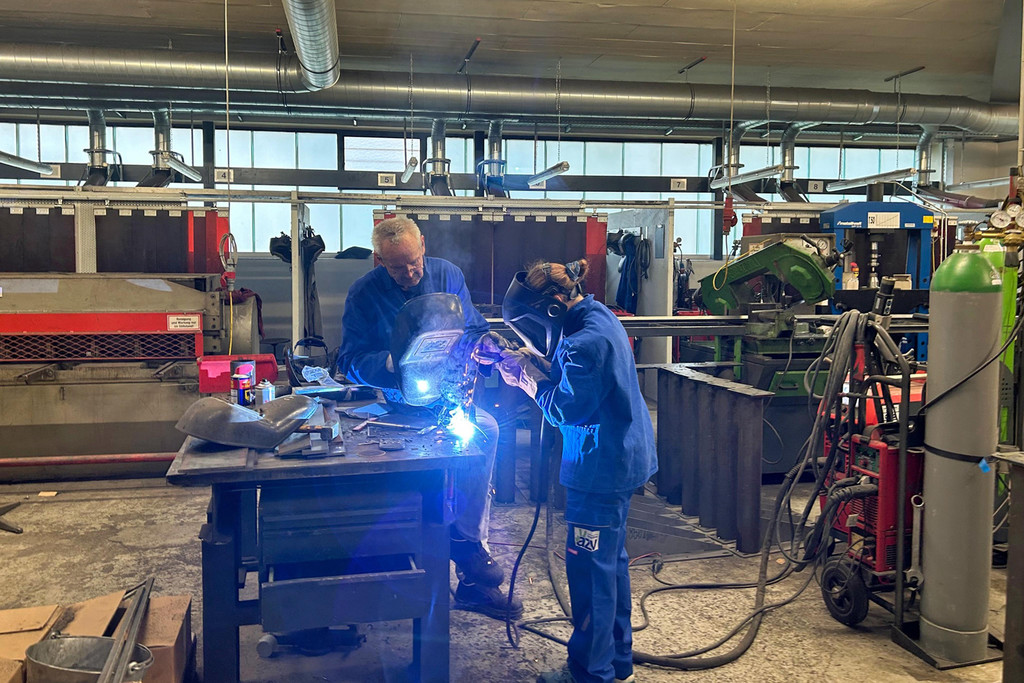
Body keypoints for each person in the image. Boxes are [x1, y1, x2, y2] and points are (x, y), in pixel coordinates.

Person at [337, 216, 522, 619]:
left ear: (423, 244)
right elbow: (348, 360)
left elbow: (472, 327)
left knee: (485, 432)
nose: (409, 273)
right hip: (398, 409)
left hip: (450, 400)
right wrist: (391, 362)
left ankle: (469, 556)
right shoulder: (364, 293)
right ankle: (393, 573)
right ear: (379, 261)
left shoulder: (447, 274)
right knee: (411, 484)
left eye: (414, 262)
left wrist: (485, 345)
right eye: (397, 267)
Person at [488, 259, 657, 683]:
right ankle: (617, 661)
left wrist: (525, 378)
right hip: (621, 456)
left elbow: (565, 408)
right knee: (608, 564)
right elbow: (577, 375)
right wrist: (530, 359)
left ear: (551, 307)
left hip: (601, 469)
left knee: (588, 572)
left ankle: (590, 672)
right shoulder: (596, 315)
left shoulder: (584, 344)